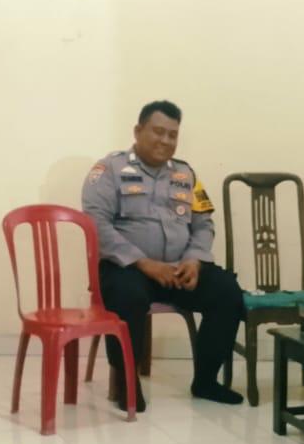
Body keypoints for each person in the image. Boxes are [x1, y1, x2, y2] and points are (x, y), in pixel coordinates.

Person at [82, 100, 246, 410]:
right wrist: (144, 263)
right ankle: (127, 384)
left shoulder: (186, 174)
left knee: (226, 290)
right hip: (127, 268)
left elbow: (204, 224)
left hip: (177, 270)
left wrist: (194, 259)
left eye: (172, 134)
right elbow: (95, 224)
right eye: (158, 132)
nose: (165, 140)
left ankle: (206, 381)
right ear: (138, 131)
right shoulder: (108, 170)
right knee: (128, 296)